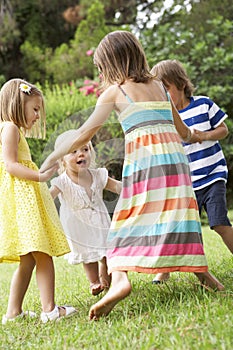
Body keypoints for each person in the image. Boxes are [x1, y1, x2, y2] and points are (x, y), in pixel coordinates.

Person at [40, 31, 224, 320]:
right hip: (176, 166)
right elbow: (183, 132)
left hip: (145, 167)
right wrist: (200, 135)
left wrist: (52, 157)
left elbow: (84, 134)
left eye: (101, 67)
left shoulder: (116, 92)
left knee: (124, 224)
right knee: (179, 218)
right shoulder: (160, 87)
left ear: (112, 63)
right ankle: (204, 276)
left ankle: (121, 279)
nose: (101, 74)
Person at [0, 78, 78, 324]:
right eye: (34, 109)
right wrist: (40, 176)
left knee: (29, 257)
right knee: (42, 252)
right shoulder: (10, 128)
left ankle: (13, 313)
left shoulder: (11, 129)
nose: (36, 116)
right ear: (17, 103)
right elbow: (11, 165)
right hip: (23, 199)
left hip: (23, 197)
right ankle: (50, 310)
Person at [151, 59, 233, 284]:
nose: (164, 95)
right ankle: (164, 270)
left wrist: (204, 136)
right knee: (178, 227)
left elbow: (223, 130)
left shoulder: (203, 104)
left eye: (166, 88)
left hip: (212, 176)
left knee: (218, 223)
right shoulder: (166, 119)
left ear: (179, 83)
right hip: (186, 184)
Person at [49, 132, 122, 295]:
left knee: (107, 255)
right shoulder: (62, 181)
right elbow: (48, 197)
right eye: (73, 151)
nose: (81, 153)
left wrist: (133, 187)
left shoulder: (97, 175)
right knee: (88, 257)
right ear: (62, 160)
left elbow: (118, 187)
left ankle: (106, 284)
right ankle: (94, 282)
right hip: (79, 228)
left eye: (85, 149)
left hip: (101, 222)